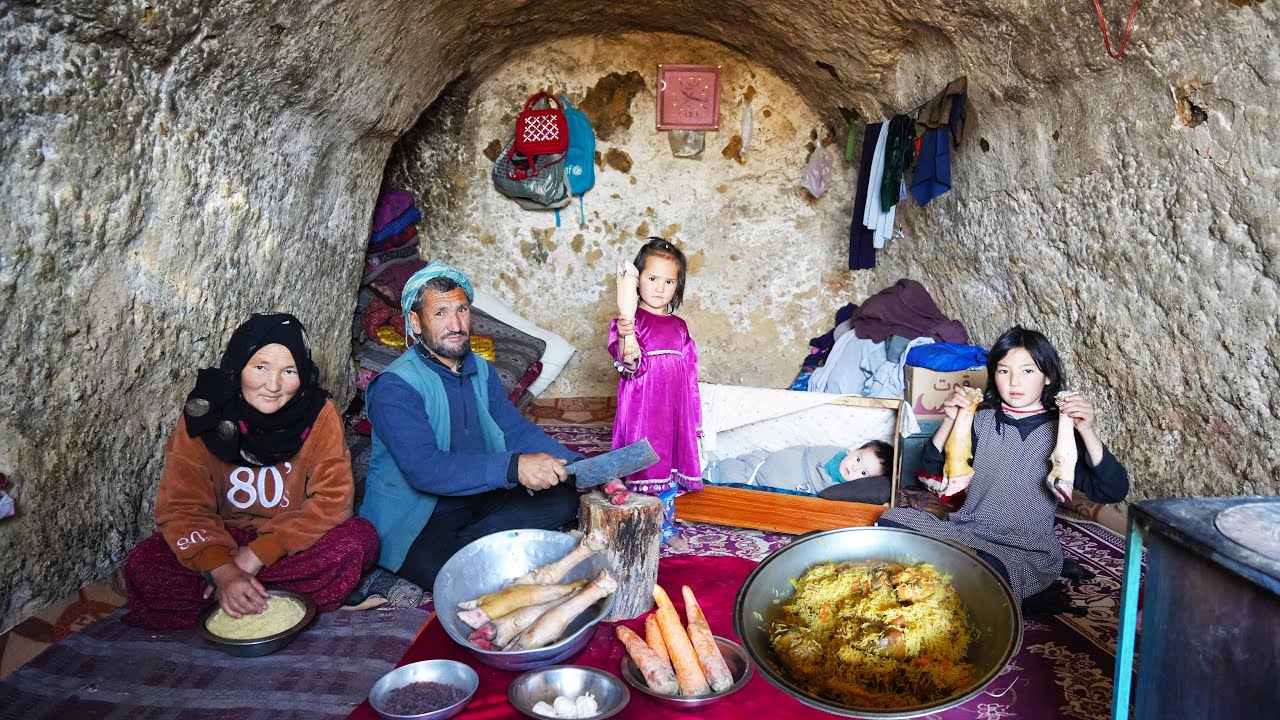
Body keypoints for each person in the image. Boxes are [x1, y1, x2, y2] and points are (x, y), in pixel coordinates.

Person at [122, 314, 379, 630]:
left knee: (359, 540)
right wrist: (222, 570)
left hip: (290, 540)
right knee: (143, 564)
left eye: (289, 371)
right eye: (260, 368)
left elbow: (332, 502)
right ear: (237, 366)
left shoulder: (318, 413)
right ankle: (269, 596)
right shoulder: (204, 415)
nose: (273, 385)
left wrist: (255, 556)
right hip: (221, 537)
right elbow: (181, 508)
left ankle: (234, 599)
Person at [358, 261, 580, 591]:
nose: (456, 324)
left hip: (476, 492)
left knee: (564, 497)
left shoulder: (481, 370)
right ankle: (480, 551)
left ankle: (478, 547)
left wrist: (579, 466)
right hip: (420, 515)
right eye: (441, 313)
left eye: (462, 309)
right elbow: (425, 469)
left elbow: (514, 430)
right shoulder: (396, 387)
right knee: (459, 579)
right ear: (416, 323)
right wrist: (514, 467)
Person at [877, 326, 1129, 605]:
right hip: (968, 530)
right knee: (891, 519)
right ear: (993, 374)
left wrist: (1087, 431)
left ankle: (991, 581)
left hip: (1025, 548)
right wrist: (950, 420)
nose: (1014, 382)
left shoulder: (1062, 433)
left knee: (989, 572)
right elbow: (932, 472)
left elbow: (1113, 490)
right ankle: (976, 579)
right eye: (1004, 370)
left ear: (1048, 377)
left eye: (1028, 371)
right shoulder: (981, 421)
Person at [609, 237, 702, 545]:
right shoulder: (630, 321)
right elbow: (629, 366)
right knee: (646, 465)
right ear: (637, 282)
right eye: (652, 278)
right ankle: (639, 528)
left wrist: (693, 418)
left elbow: (689, 372)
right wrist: (627, 342)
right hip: (644, 410)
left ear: (678, 286)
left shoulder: (680, 326)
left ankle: (666, 527)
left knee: (669, 468)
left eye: (669, 281)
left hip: (673, 411)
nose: (660, 288)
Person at [704, 440, 894, 502]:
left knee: (732, 482)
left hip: (764, 482)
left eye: (863, 473)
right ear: (853, 450)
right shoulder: (827, 452)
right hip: (762, 464)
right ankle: (704, 468)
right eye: (858, 459)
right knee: (731, 468)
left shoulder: (838, 490)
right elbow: (800, 454)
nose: (853, 467)